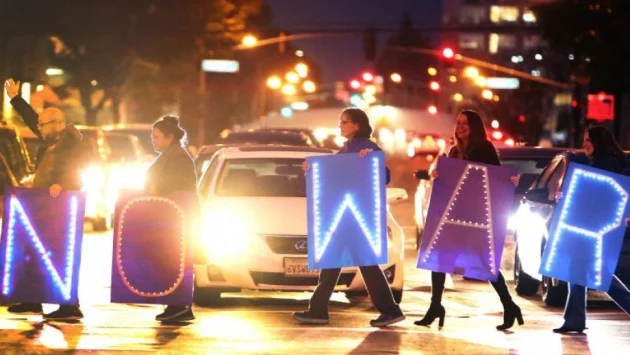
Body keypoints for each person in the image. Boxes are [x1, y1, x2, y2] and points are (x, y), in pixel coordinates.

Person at [292, 107, 405, 327]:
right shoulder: (346, 148)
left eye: (345, 122)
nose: (341, 126)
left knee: (362, 263)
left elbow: (383, 175)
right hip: (346, 218)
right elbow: (335, 175)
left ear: (358, 125)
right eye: (340, 122)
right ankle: (319, 310)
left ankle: (388, 310)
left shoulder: (366, 147)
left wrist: (370, 161)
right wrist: (313, 170)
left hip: (354, 217)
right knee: (337, 263)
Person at [415, 110, 523, 330]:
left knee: (485, 261)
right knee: (440, 258)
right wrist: (437, 175)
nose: (461, 126)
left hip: (474, 215)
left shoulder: (484, 149)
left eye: (466, 123)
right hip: (453, 214)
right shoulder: (454, 150)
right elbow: (449, 181)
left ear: (474, 126)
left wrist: (510, 180)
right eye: (458, 122)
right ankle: (435, 306)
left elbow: (494, 178)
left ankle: (509, 305)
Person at [4, 78, 86, 321]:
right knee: (36, 252)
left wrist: (63, 184)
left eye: (43, 124)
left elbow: (78, 166)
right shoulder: (53, 139)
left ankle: (70, 306)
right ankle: (32, 299)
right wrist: (16, 99)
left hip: (60, 206)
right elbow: (32, 119)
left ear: (58, 123)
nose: (39, 128)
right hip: (43, 203)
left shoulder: (71, 142)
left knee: (59, 255)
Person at [553, 125, 628, 334]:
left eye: (588, 140)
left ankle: (574, 319)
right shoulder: (603, 162)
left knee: (601, 275)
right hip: (591, 228)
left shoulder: (606, 164)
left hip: (595, 230)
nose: (584, 144)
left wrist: (569, 197)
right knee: (578, 271)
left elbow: (598, 196)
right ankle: (574, 319)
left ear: (598, 142)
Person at [146, 115, 198, 322]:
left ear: (169, 137)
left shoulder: (177, 157)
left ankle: (181, 305)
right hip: (171, 215)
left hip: (177, 217)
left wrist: (157, 191)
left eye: (157, 136)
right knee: (172, 261)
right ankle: (174, 304)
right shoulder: (171, 154)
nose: (153, 140)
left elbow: (177, 186)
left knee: (178, 260)